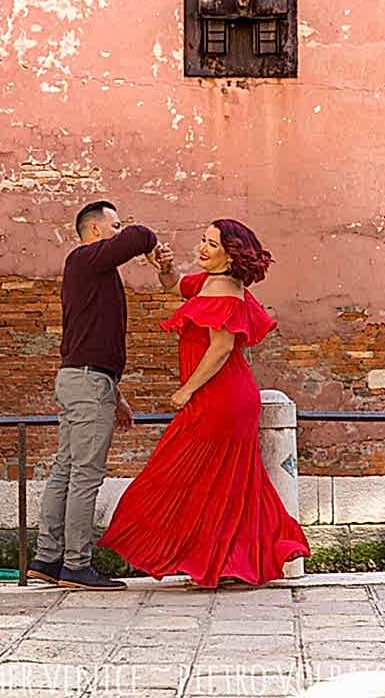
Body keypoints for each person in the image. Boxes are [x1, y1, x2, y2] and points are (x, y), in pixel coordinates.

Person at [97, 219, 310, 588]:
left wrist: (187, 390)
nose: (203, 248)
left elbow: (222, 347)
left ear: (230, 254)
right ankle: (223, 563)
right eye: (203, 240)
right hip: (223, 398)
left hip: (221, 399)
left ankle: (214, 561)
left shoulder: (226, 290)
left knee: (183, 473)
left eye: (212, 244)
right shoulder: (211, 282)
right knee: (220, 483)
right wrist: (164, 269)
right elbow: (177, 286)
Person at [26, 200, 159, 591]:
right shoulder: (84, 260)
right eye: (115, 225)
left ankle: (47, 560)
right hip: (85, 383)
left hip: (83, 379)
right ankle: (76, 565)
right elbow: (139, 237)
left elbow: (94, 341)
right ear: (96, 231)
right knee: (83, 475)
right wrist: (150, 246)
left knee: (66, 471)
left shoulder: (95, 273)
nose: (121, 231)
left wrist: (114, 396)